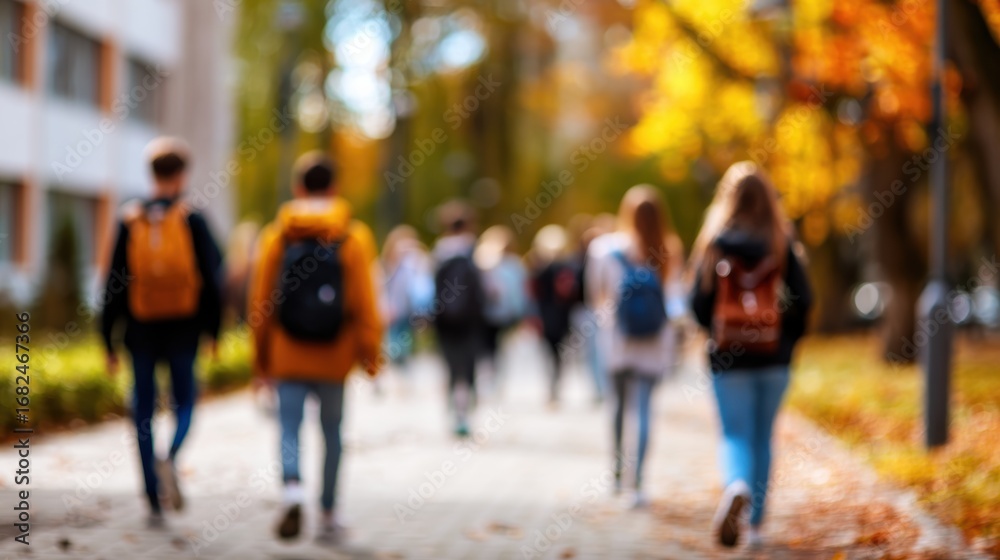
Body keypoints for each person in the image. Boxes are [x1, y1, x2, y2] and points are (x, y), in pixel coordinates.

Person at [247, 152, 382, 543]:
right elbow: (364, 303)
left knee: (288, 426)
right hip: (335, 356)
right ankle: (328, 513)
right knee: (332, 433)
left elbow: (260, 302)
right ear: (335, 188)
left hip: (287, 353)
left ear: (298, 188)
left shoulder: (278, 235)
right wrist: (371, 358)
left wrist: (260, 360)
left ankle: (292, 488)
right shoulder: (352, 237)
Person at [689, 161, 813, 548]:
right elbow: (804, 300)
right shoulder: (782, 240)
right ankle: (756, 526)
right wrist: (786, 341)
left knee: (734, 434)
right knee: (763, 437)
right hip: (774, 359)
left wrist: (717, 329)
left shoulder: (714, 241)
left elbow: (697, 304)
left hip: (729, 358)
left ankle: (736, 485)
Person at [100, 137, 223, 526]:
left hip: (140, 331)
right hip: (185, 331)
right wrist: (215, 331)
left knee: (143, 410)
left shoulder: (131, 218)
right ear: (181, 175)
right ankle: (171, 457)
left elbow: (114, 282)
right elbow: (213, 280)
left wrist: (107, 338)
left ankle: (152, 496)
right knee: (186, 402)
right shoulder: (193, 218)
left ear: (151, 174)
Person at [586, 186, 684, 508]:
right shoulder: (669, 249)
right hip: (654, 342)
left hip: (617, 340)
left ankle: (615, 474)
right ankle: (637, 483)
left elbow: (594, 297)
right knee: (643, 410)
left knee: (616, 408)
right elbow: (675, 300)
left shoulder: (604, 249)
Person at [431, 200, 485, 437]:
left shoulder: (438, 251)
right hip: (470, 318)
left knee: (450, 364)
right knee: (468, 363)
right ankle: (464, 408)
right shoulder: (473, 250)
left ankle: (454, 405)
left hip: (443, 317)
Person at [474, 225, 529, 392]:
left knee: (498, 348)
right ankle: (488, 379)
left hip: (504, 314)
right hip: (486, 314)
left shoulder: (513, 265)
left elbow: (519, 292)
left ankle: (495, 379)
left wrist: (519, 313)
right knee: (488, 348)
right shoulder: (482, 263)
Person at [529, 225, 579, 405]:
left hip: (551, 317)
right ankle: (554, 385)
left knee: (552, 354)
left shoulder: (543, 268)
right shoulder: (563, 266)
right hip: (557, 317)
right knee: (557, 354)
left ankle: (553, 385)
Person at [379, 225, 434, 376]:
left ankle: (403, 374)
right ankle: (393, 374)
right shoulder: (385, 266)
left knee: (406, 345)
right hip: (392, 311)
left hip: (410, 311)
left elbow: (424, 285)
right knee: (391, 345)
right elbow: (380, 287)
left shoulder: (417, 262)